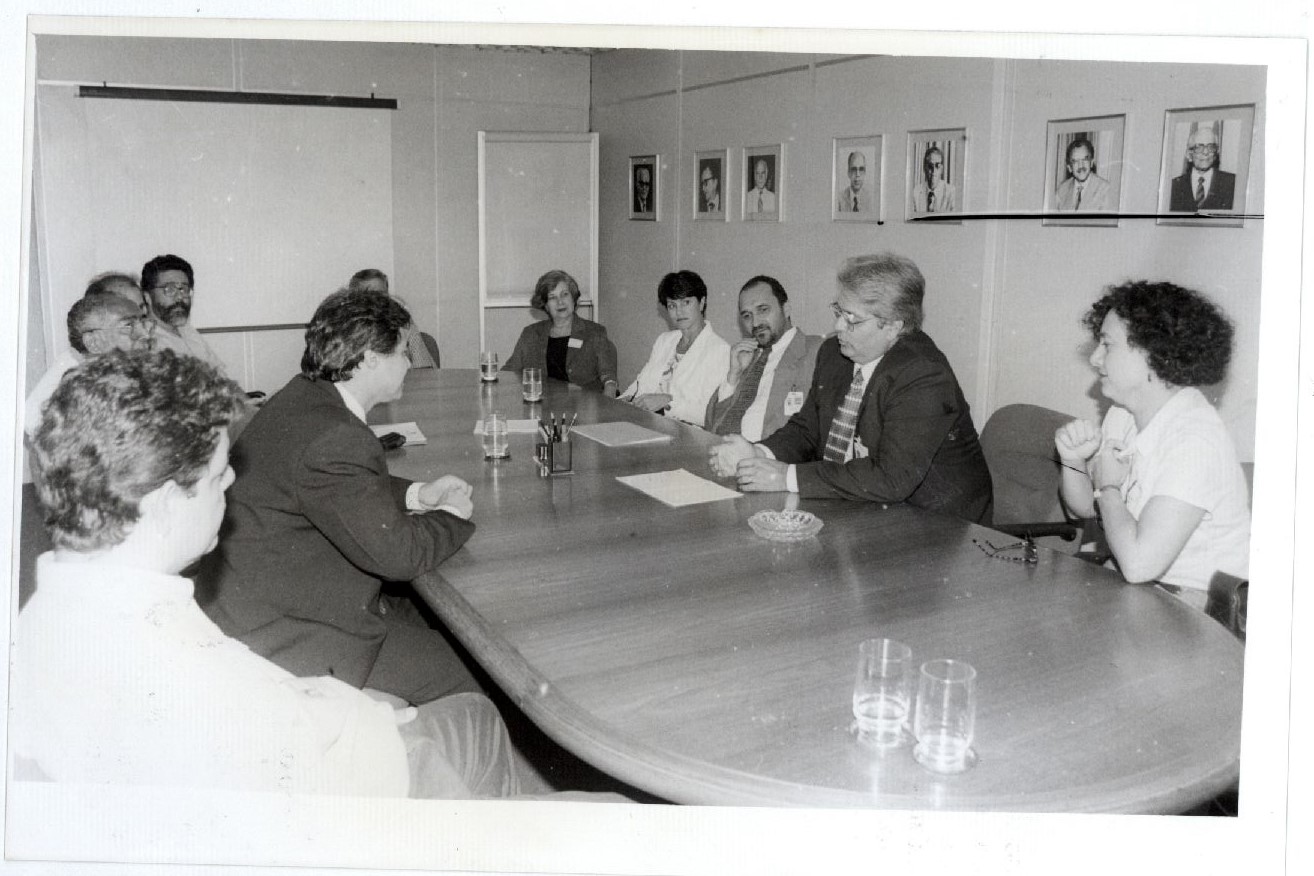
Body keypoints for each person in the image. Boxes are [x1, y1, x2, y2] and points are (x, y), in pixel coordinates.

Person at [14, 349, 592, 800]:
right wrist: (363, 719)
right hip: (348, 798)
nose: (232, 483)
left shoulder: (50, 615)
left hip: (299, 736)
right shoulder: (177, 676)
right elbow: (308, 765)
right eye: (217, 477)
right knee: (478, 718)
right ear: (165, 503)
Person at [199, 288, 479, 706]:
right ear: (369, 359)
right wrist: (453, 515)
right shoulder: (338, 435)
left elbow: (334, 485)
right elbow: (400, 557)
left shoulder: (302, 397)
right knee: (476, 674)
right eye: (403, 351)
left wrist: (418, 494)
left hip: (258, 604)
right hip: (288, 635)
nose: (409, 363)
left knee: (431, 621)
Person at [709, 254, 992, 522]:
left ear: (893, 326)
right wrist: (758, 454)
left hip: (939, 525)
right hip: (863, 509)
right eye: (838, 312)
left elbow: (890, 478)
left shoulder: (923, 374)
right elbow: (806, 430)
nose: (838, 326)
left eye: (851, 319)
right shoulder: (834, 353)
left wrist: (786, 477)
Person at [1055, 281, 1250, 606]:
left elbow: (1138, 565)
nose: (1095, 358)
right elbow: (1086, 509)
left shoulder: (1196, 442)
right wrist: (1072, 461)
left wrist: (1108, 487)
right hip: (1141, 588)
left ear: (1152, 354)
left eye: (1107, 345)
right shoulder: (1123, 413)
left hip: (1200, 607)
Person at [705, 275, 823, 441]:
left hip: (769, 452)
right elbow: (711, 424)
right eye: (747, 315)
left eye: (763, 310)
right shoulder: (747, 356)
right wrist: (733, 376)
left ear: (786, 309)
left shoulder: (816, 350)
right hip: (722, 448)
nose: (755, 323)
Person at [24, 290, 155, 436]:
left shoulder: (136, 377)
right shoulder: (79, 400)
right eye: (128, 326)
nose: (145, 334)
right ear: (93, 342)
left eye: (143, 322)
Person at [621, 270, 730, 426]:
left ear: (701, 303)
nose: (679, 311)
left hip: (688, 433)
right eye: (672, 305)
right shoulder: (664, 340)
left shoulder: (720, 350)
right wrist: (622, 401)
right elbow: (641, 384)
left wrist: (668, 402)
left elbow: (710, 413)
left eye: (686, 302)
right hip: (649, 423)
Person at [503, 269, 619, 395]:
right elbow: (509, 372)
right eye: (552, 297)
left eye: (565, 294)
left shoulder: (594, 332)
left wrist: (607, 398)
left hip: (584, 405)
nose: (560, 302)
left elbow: (609, 376)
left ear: (574, 299)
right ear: (545, 305)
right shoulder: (531, 334)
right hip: (543, 405)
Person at [140, 254, 227, 372]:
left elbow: (221, 375)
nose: (179, 297)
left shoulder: (187, 331)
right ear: (147, 297)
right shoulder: (146, 343)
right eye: (169, 289)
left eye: (184, 289)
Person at [348, 268, 438, 368]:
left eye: (381, 294)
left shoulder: (402, 321)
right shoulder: (346, 330)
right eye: (370, 295)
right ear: (354, 299)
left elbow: (423, 366)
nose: (377, 300)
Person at [1169, 125, 1237, 211]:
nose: (1205, 152)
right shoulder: (1174, 186)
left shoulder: (1232, 183)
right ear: (1189, 154)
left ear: (1216, 152)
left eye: (1210, 147)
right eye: (1199, 147)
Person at [1054, 138, 1112, 211]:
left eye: (1085, 159)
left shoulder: (1105, 190)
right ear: (1069, 167)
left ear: (1091, 162)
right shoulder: (1061, 190)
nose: (1081, 165)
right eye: (1075, 161)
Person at [910, 145, 957, 215]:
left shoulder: (951, 193)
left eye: (937, 165)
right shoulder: (915, 193)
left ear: (941, 169)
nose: (933, 171)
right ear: (924, 168)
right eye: (930, 166)